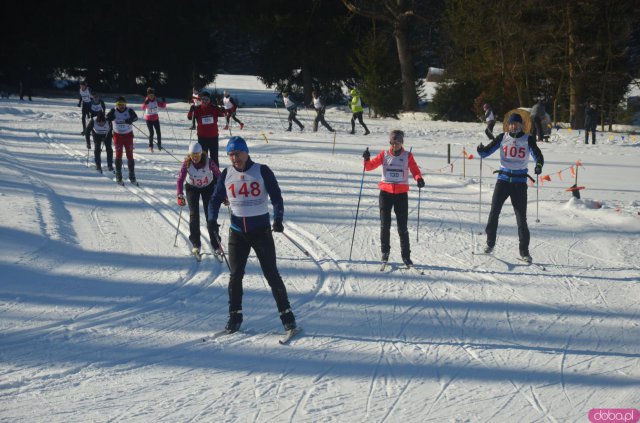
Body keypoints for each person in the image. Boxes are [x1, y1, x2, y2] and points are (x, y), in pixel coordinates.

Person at [207, 136, 297, 333]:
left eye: (237, 153)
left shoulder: (261, 171)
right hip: (237, 233)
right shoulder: (226, 174)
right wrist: (211, 221)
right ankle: (235, 316)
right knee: (235, 275)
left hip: (261, 232)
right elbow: (215, 199)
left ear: (246, 152)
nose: (234, 158)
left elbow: (277, 197)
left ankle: (287, 316)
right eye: (230, 155)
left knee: (271, 274)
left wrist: (278, 219)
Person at [476, 113, 544, 263]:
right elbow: (486, 151)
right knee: (494, 213)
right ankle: (490, 243)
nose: (514, 126)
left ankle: (524, 251)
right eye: (511, 124)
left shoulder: (528, 139)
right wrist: (480, 150)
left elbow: (538, 155)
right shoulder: (502, 137)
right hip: (503, 181)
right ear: (508, 125)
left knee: (521, 219)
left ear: (521, 125)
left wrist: (539, 165)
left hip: (519, 184)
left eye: (516, 124)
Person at [362, 130, 424, 266]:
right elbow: (369, 167)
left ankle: (406, 256)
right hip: (385, 194)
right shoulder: (384, 154)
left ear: (402, 142)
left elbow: (414, 170)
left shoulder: (407, 156)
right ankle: (385, 253)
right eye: (392, 142)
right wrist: (366, 159)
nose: (394, 145)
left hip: (401, 195)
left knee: (402, 227)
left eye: (396, 142)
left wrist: (419, 179)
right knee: (385, 225)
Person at [176, 142, 222, 257]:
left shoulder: (209, 162)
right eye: (193, 155)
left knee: (210, 215)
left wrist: (223, 193)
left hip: (208, 187)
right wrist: (180, 194)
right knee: (194, 214)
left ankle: (216, 244)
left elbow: (219, 175)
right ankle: (196, 244)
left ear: (201, 154)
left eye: (197, 155)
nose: (195, 158)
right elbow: (180, 180)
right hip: (192, 188)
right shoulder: (186, 163)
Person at [187, 90, 225, 166]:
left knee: (214, 157)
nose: (205, 101)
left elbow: (223, 114)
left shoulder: (214, 108)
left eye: (207, 99)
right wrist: (191, 110)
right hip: (202, 138)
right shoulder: (197, 109)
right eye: (203, 99)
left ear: (209, 100)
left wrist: (223, 110)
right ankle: (204, 176)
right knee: (203, 158)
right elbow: (189, 117)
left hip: (213, 137)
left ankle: (216, 177)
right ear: (200, 100)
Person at [106, 96, 139, 184]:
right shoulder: (113, 110)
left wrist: (130, 120)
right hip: (118, 136)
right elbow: (107, 117)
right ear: (116, 105)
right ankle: (118, 174)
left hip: (128, 136)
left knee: (130, 155)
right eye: (119, 104)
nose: (121, 106)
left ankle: (132, 174)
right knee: (118, 155)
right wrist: (110, 118)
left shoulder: (129, 110)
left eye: (123, 104)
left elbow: (136, 117)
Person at [141, 87, 167, 152]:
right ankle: (150, 146)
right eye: (150, 95)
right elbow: (143, 108)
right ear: (148, 95)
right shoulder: (147, 101)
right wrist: (145, 103)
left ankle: (159, 145)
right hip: (149, 119)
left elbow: (163, 106)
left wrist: (164, 101)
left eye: (152, 95)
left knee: (158, 132)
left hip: (155, 119)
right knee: (151, 133)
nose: (151, 97)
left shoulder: (156, 101)